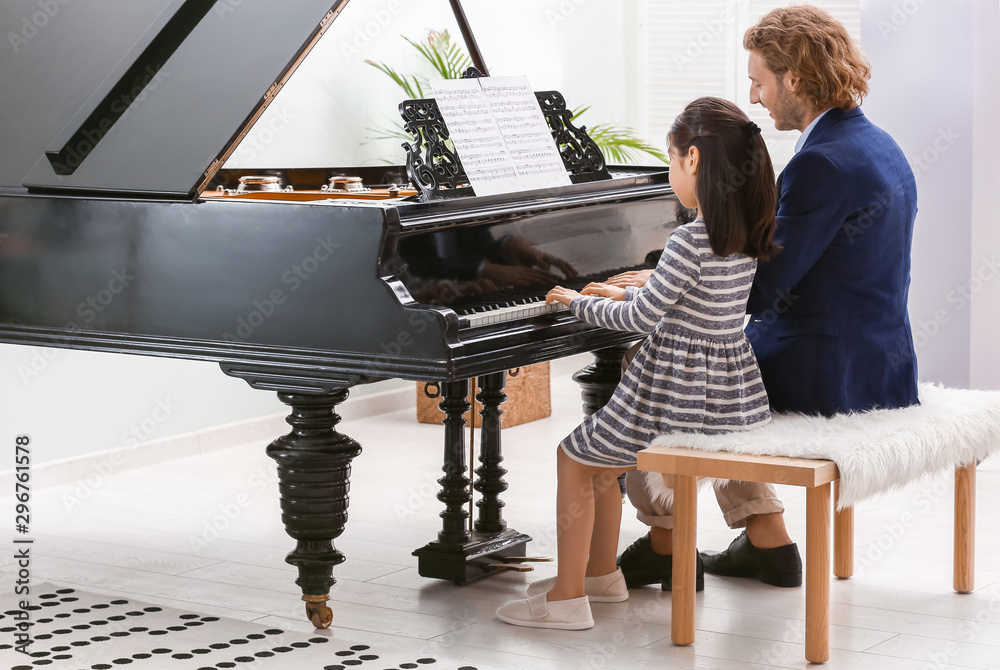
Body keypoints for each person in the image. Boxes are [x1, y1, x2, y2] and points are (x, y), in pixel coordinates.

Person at [612, 5, 919, 591]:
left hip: (829, 370)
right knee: (720, 357)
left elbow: (762, 288)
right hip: (881, 360)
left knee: (659, 364)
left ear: (794, 78)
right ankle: (766, 540)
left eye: (758, 81)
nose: (754, 97)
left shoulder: (822, 163)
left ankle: (666, 542)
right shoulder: (877, 143)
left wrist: (663, 282)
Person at [495, 96, 780, 630]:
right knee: (604, 469)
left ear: (692, 160)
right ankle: (601, 577)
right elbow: (684, 305)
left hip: (669, 392)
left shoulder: (687, 240)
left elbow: (642, 321)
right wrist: (618, 293)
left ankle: (566, 598)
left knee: (574, 458)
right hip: (722, 393)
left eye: (670, 160)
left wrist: (575, 301)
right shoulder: (741, 236)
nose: (671, 171)